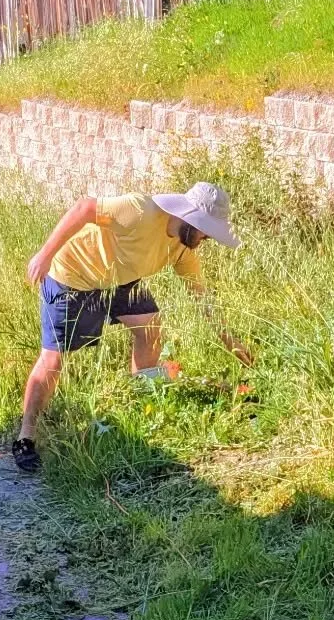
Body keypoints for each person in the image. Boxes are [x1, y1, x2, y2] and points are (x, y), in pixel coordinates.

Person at [13, 182, 253, 472]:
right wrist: (44, 254)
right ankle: (26, 436)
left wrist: (231, 341)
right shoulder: (140, 210)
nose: (206, 239)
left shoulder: (182, 251)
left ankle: (140, 398)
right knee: (54, 359)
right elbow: (85, 207)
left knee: (150, 326)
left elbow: (202, 300)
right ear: (190, 217)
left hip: (119, 280)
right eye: (206, 230)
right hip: (73, 276)